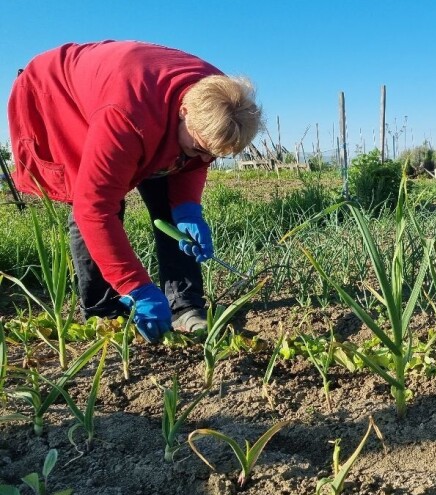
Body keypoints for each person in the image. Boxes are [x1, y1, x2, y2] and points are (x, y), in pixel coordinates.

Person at [7, 40, 263, 343]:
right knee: (96, 200)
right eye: (199, 149)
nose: (204, 162)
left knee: (170, 198)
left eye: (214, 155)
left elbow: (196, 156)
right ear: (183, 111)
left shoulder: (223, 99)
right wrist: (136, 286)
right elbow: (94, 210)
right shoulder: (127, 116)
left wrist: (188, 208)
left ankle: (183, 305)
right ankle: (105, 315)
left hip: (145, 106)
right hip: (58, 97)